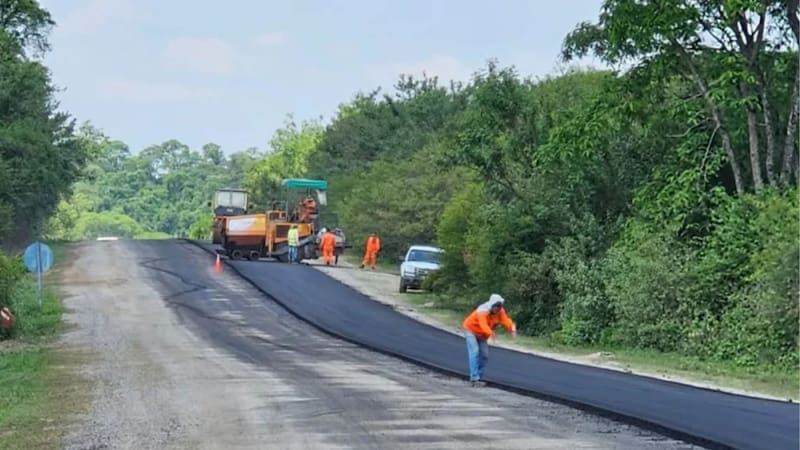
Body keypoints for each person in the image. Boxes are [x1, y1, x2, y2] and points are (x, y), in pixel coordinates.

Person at [462, 294, 516, 386]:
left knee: (484, 356)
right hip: (471, 330)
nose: (497, 309)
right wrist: (491, 333)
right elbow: (483, 325)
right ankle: (474, 378)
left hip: (483, 334)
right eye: (496, 306)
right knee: (474, 351)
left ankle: (478, 376)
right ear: (492, 305)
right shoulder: (482, 311)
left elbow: (505, 320)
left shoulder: (500, 311)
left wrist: (512, 329)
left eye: (499, 306)